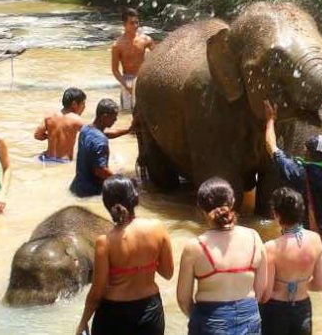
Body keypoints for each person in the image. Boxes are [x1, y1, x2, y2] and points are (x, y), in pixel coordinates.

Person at [76, 175, 175, 335]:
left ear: (107, 204)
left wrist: (83, 321)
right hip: (150, 310)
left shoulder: (105, 242)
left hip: (113, 315)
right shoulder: (158, 229)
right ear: (134, 197)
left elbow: (97, 291)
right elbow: (168, 273)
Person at [265, 99, 322, 273]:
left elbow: (271, 146)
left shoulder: (294, 171)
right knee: (320, 276)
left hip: (295, 239)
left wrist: (270, 120)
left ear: (305, 151)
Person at [177, 178, 268, 335]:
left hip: (210, 320)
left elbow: (183, 300)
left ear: (200, 208)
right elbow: (261, 291)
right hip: (249, 317)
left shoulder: (195, 247)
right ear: (232, 202)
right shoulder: (254, 237)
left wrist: (202, 319)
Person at [260, 187, 322, 335]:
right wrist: (300, 285)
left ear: (276, 215)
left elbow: (265, 294)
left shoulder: (271, 248)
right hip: (302, 309)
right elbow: (321, 284)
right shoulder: (315, 240)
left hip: (275, 311)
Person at [71, 99, 119, 198]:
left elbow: (105, 135)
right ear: (104, 117)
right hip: (91, 192)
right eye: (114, 117)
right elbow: (100, 170)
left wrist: (129, 130)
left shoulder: (85, 130)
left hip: (76, 187)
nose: (116, 119)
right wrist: (122, 181)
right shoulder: (101, 141)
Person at [112, 8, 154, 113]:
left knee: (147, 110)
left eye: (137, 22)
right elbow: (115, 70)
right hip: (127, 79)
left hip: (143, 78)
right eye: (132, 23)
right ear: (124, 25)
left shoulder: (146, 40)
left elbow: (159, 57)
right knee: (126, 113)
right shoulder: (117, 45)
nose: (135, 26)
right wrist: (126, 85)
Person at [34, 87, 86, 163]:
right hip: (63, 161)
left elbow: (37, 135)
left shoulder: (49, 116)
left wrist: (51, 136)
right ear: (74, 104)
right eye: (83, 103)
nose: (84, 107)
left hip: (45, 158)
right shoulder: (76, 120)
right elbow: (92, 134)